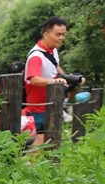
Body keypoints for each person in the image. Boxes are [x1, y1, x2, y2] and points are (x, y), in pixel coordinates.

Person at [24, 16, 89, 144]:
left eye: (63, 35)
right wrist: (54, 81)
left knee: (80, 79)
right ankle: (26, 159)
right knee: (41, 142)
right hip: (39, 105)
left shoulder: (52, 50)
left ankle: (69, 100)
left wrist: (66, 77)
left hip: (53, 97)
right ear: (46, 34)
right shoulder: (36, 56)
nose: (61, 38)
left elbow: (55, 66)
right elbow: (34, 79)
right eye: (58, 34)